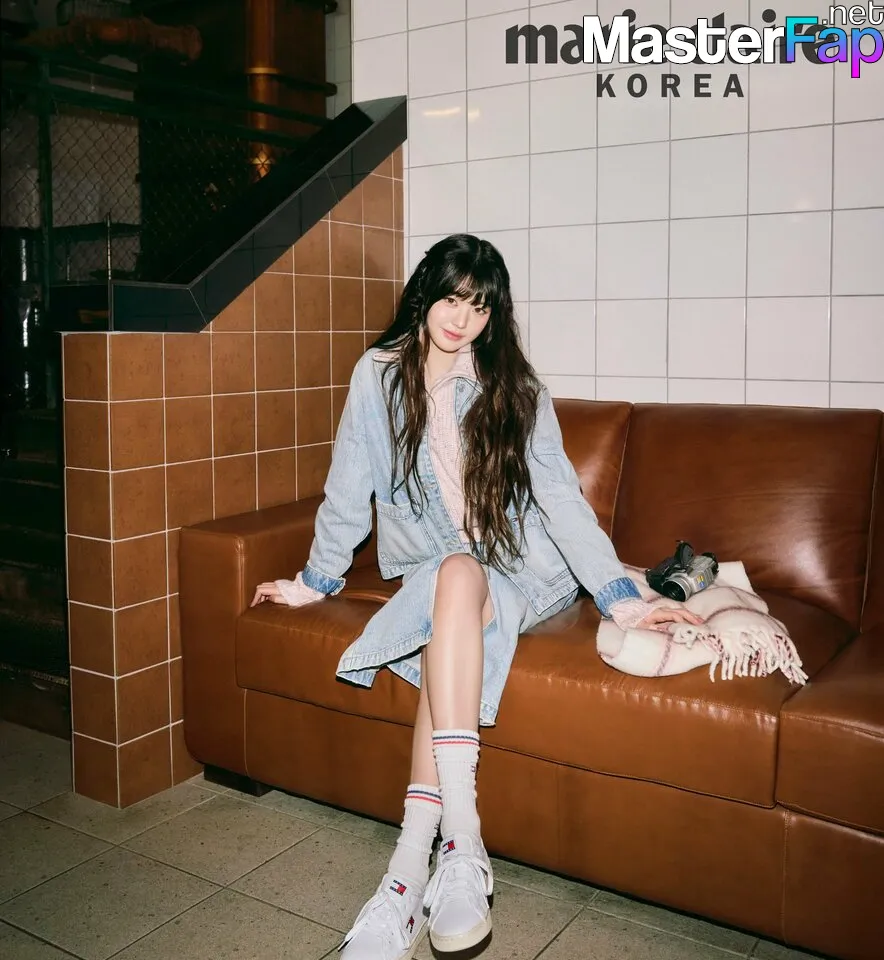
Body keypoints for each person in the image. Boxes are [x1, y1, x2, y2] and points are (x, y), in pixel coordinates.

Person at [251, 234, 702, 959]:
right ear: (425, 294)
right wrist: (316, 580)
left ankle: (409, 873)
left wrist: (621, 599)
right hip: (440, 569)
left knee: (458, 588)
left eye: (481, 306)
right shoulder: (378, 376)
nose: (463, 319)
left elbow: (560, 500)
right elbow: (349, 484)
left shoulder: (513, 387)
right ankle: (457, 853)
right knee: (455, 578)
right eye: (453, 299)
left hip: (525, 567)